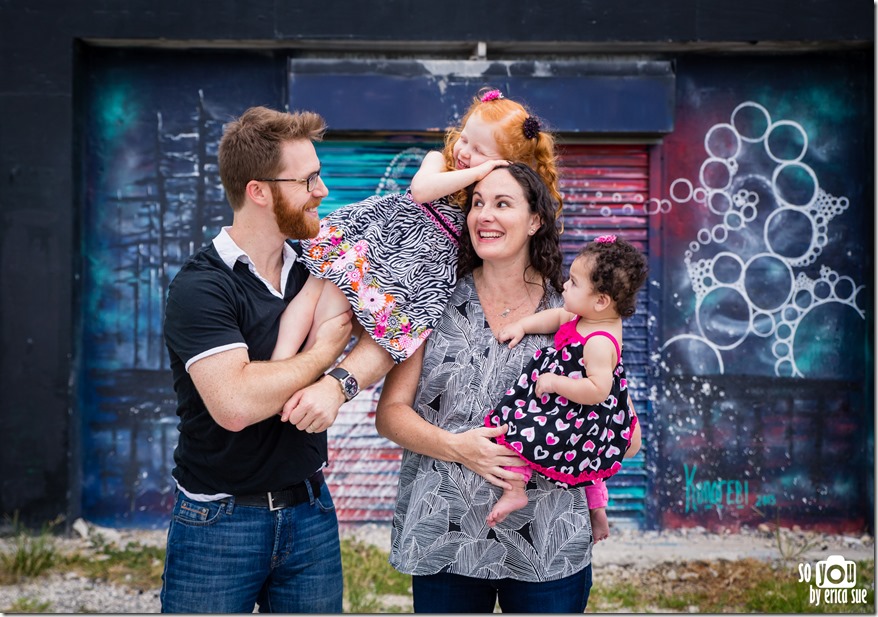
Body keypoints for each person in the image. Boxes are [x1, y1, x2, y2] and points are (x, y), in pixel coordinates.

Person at [161, 106, 372, 613]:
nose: (322, 190)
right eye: (308, 179)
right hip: (219, 524)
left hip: (311, 514)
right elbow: (234, 403)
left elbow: (390, 335)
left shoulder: (320, 264)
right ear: (259, 191)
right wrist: (323, 352)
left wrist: (337, 382)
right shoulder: (202, 286)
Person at [375, 163, 595, 613]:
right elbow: (391, 413)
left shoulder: (572, 312)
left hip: (546, 539)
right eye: (477, 203)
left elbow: (622, 432)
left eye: (502, 204)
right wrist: (457, 447)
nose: (484, 215)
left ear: (536, 220)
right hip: (445, 536)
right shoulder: (433, 299)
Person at [273, 88, 562, 424]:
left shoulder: (482, 201)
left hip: (415, 278)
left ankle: (301, 381)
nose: (464, 151)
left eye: (479, 150)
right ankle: (281, 367)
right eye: (464, 139)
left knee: (345, 327)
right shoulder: (440, 163)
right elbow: (423, 190)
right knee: (318, 300)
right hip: (383, 245)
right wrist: (479, 171)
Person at [484, 235, 648, 532]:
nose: (564, 286)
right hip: (577, 405)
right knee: (588, 460)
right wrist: (523, 325)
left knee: (521, 428)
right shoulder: (589, 316)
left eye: (573, 282)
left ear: (601, 301)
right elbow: (558, 317)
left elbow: (599, 390)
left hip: (582, 409)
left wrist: (555, 382)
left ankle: (515, 489)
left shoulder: (598, 341)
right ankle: (596, 508)